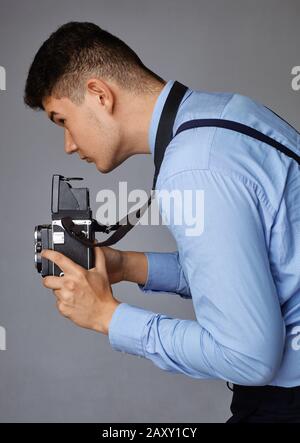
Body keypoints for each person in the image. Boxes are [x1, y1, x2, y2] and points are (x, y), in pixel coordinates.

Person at [24, 21, 300, 423]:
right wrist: (125, 265)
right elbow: (249, 274)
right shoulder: (226, 113)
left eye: (62, 120)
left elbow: (248, 357)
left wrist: (107, 316)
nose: (68, 145)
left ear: (99, 95)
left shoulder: (193, 166)